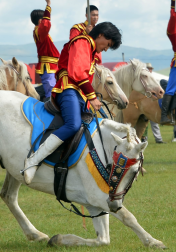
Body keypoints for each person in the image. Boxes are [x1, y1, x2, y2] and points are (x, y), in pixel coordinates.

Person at [22, 22, 122, 184]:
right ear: (101, 35)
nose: (105, 49)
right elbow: (76, 72)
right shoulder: (82, 42)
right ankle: (33, 160)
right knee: (73, 125)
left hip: (79, 95)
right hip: (68, 89)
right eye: (107, 45)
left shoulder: (90, 50)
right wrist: (92, 96)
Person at [31, 0, 60, 101]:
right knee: (50, 92)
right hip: (48, 66)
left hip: (53, 65)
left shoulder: (40, 33)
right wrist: (48, 5)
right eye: (43, 19)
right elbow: (45, 25)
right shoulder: (40, 31)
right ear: (40, 20)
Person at [145, 62, 163, 143]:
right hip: (145, 103)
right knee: (143, 122)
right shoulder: (145, 80)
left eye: (151, 69)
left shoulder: (153, 79)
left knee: (154, 121)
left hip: (152, 103)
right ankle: (143, 138)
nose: (150, 70)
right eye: (149, 69)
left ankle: (158, 139)